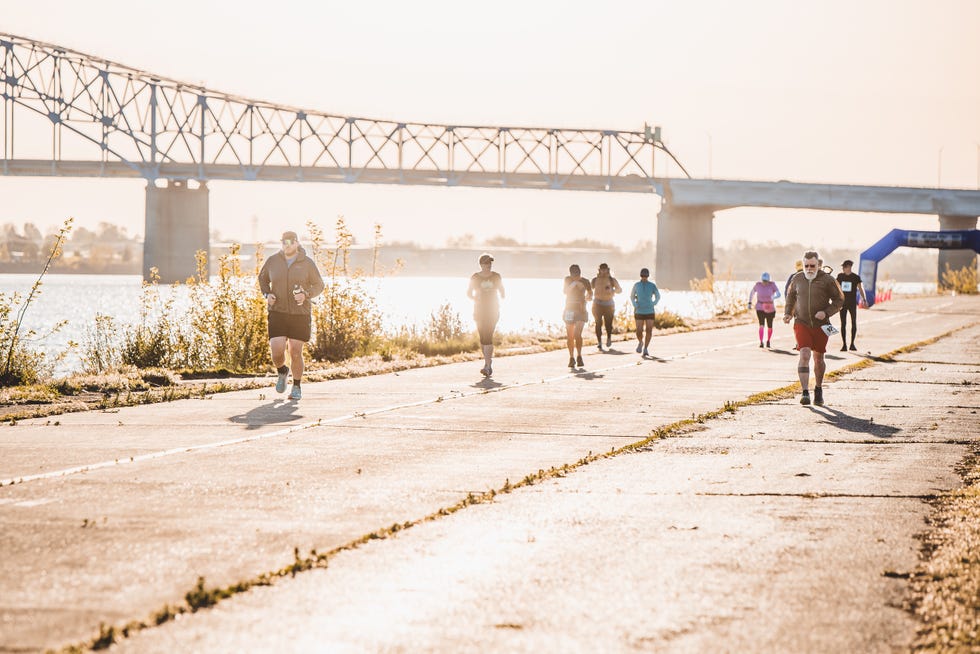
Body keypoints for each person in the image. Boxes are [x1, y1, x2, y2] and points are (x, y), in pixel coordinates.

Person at [257, 230, 325, 401]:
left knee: (295, 351)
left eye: (290, 242)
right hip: (277, 312)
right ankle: (282, 371)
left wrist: (306, 295)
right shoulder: (273, 261)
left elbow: (319, 285)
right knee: (277, 352)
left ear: (297, 243)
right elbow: (262, 279)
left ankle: (296, 386)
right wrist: (267, 295)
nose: (287, 245)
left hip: (299, 314)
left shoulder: (307, 263)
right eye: (284, 242)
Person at [783, 251, 844, 406]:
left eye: (812, 266)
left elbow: (839, 300)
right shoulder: (797, 278)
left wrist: (826, 312)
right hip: (801, 323)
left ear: (818, 265)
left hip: (821, 325)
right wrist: (788, 313)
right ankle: (804, 392)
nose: (809, 269)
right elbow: (790, 297)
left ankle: (818, 388)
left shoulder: (828, 280)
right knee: (804, 354)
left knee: (818, 358)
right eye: (806, 266)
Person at [467, 252, 505, 376]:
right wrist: (475, 298)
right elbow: (468, 293)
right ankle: (487, 363)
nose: (489, 265)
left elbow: (502, 291)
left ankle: (487, 366)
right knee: (482, 338)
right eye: (487, 263)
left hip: (492, 310)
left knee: (488, 336)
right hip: (478, 310)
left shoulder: (496, 276)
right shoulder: (475, 277)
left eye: (490, 263)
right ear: (481, 264)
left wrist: (500, 294)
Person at [563, 264, 592, 368]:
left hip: (581, 310)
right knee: (570, 335)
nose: (576, 277)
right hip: (569, 310)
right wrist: (574, 284)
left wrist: (587, 296)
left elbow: (590, 296)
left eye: (578, 275)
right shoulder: (567, 280)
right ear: (571, 274)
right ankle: (571, 358)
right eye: (574, 275)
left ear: (580, 273)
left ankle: (579, 355)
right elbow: (565, 291)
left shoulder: (586, 281)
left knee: (577, 334)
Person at [590, 263, 622, 351]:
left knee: (608, 324)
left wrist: (612, 290)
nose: (603, 271)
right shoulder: (595, 280)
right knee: (598, 323)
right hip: (597, 304)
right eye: (601, 269)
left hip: (609, 304)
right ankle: (599, 342)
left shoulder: (612, 280)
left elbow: (620, 290)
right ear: (599, 270)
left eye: (605, 269)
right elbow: (589, 289)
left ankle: (609, 338)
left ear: (608, 270)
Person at [630, 267, 661, 357]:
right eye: (643, 276)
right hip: (639, 310)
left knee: (649, 330)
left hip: (650, 311)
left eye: (646, 276)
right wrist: (635, 304)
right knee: (639, 331)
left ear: (648, 276)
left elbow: (658, 296)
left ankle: (646, 348)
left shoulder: (652, 285)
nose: (644, 277)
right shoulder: (636, 285)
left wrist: (653, 303)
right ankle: (640, 342)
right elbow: (632, 296)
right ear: (641, 276)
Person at [836, 259, 865, 351]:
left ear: (849, 267)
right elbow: (836, 288)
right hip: (842, 303)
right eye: (843, 267)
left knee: (853, 322)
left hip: (852, 303)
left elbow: (860, 289)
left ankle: (852, 344)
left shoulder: (855, 277)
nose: (843, 269)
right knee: (843, 324)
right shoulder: (840, 276)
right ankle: (844, 344)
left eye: (844, 267)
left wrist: (864, 299)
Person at [748, 271, 781, 348]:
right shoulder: (758, 285)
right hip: (760, 307)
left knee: (769, 326)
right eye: (763, 280)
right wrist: (749, 302)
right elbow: (752, 293)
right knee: (761, 325)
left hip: (770, 308)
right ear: (761, 280)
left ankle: (768, 341)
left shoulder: (772, 285)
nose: (765, 282)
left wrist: (774, 297)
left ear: (768, 280)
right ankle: (761, 342)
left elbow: (779, 294)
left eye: (766, 281)